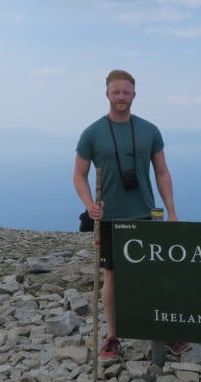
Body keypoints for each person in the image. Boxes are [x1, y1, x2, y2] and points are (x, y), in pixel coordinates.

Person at [73, 70, 184, 360]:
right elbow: (78, 175)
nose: (121, 97)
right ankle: (112, 336)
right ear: (107, 94)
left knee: (153, 275)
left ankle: (164, 331)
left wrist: (171, 211)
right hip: (109, 219)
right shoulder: (92, 133)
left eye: (126, 92)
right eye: (116, 92)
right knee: (112, 277)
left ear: (134, 94)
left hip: (146, 215)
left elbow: (162, 172)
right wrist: (89, 204)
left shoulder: (149, 130)